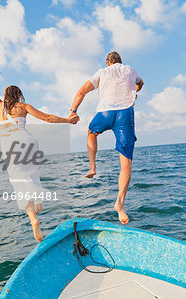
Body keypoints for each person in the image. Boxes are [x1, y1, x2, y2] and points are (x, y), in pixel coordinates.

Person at [0, 69, 79, 242]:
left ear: (5, 96)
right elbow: (47, 118)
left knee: (19, 181)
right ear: (19, 95)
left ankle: (33, 219)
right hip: (27, 141)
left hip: (9, 147)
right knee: (31, 173)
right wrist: (68, 120)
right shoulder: (23, 107)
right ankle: (38, 202)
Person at [70, 51, 144, 225]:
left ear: (108, 62)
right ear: (120, 62)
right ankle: (120, 204)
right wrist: (134, 91)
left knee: (91, 132)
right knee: (126, 164)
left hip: (105, 113)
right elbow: (141, 83)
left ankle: (92, 166)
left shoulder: (102, 72)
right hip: (125, 114)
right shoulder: (130, 70)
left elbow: (81, 92)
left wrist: (73, 111)